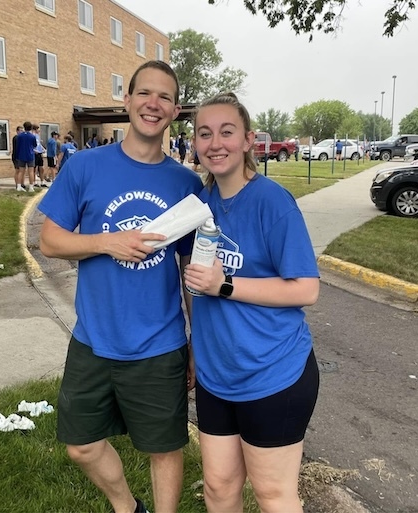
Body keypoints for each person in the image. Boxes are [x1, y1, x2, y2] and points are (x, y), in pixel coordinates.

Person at [38, 60, 202, 513]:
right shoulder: (85, 166)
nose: (153, 104)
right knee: (81, 444)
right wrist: (106, 242)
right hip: (94, 339)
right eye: (144, 93)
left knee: (164, 449)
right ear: (126, 102)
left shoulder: (185, 184)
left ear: (174, 110)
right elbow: (49, 241)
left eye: (164, 97)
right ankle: (129, 509)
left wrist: (195, 342)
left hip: (160, 343)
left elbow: (190, 270)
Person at [183, 92, 320, 513]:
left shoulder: (271, 201)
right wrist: (194, 348)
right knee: (218, 488)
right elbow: (191, 284)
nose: (215, 143)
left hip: (273, 374)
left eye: (227, 132)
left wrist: (225, 284)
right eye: (204, 134)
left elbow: (305, 290)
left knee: (273, 495)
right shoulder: (198, 208)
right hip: (215, 376)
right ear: (195, 144)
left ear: (247, 140)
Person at [15, 121, 37, 192]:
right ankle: (31, 187)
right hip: (30, 155)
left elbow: (17, 146)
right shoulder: (32, 136)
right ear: (31, 128)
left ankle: (18, 186)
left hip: (21, 155)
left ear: (24, 127)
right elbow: (35, 145)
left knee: (21, 171)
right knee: (31, 171)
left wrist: (17, 155)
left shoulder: (20, 136)